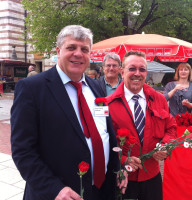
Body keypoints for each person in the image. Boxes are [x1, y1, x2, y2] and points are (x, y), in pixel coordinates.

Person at [11, 25, 126, 200]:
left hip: (101, 190)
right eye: (71, 47)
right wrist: (53, 188)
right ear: (58, 51)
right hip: (60, 193)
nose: (78, 54)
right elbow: (23, 151)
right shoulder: (32, 88)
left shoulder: (96, 87)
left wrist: (117, 169)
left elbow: (105, 133)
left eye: (84, 49)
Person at [106, 51, 177, 200]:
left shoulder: (159, 99)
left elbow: (171, 128)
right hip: (123, 178)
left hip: (152, 176)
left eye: (142, 69)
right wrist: (123, 159)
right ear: (122, 71)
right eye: (132, 68)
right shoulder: (108, 104)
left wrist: (164, 146)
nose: (137, 73)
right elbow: (102, 143)